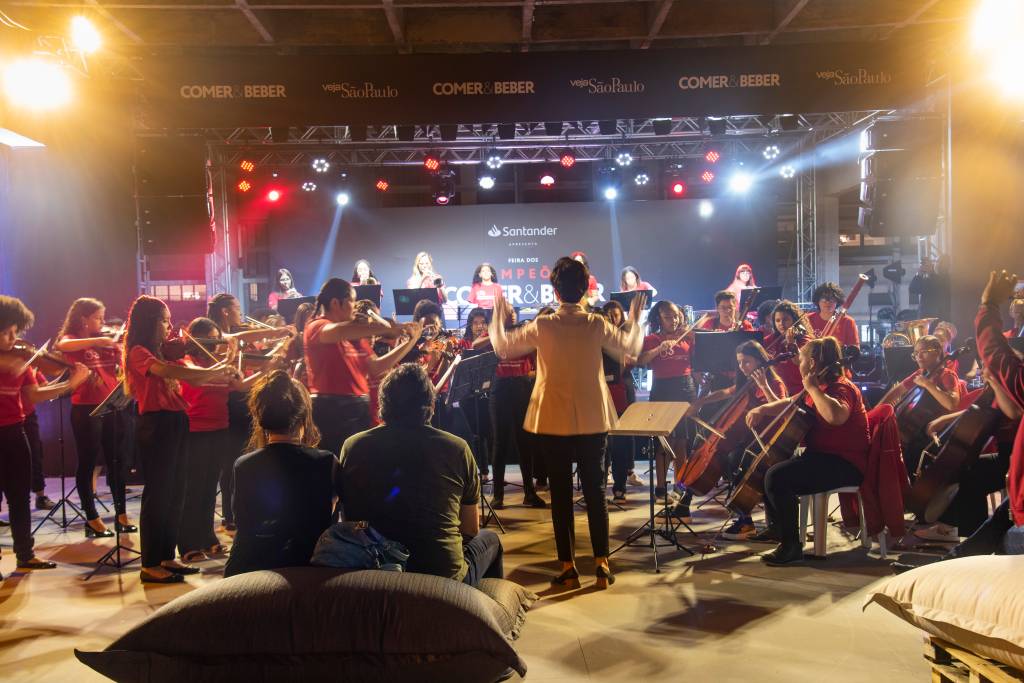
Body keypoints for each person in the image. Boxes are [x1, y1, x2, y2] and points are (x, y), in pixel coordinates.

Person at [489, 256, 645, 590]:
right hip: (593, 416)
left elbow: (502, 347)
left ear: (554, 290)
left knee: (560, 495)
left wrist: (497, 316)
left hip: (553, 417)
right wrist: (635, 318)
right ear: (586, 287)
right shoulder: (596, 324)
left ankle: (568, 567)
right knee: (595, 492)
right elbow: (631, 347)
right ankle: (602, 564)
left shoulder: (543, 325)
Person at [338, 363, 503, 587]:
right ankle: (480, 613)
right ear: (430, 403)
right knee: (490, 540)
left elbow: (349, 520)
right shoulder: (457, 448)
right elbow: (470, 529)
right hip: (442, 578)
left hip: (373, 571)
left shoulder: (353, 446)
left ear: (383, 403)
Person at [122, 295, 237, 583]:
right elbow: (171, 372)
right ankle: (150, 563)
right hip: (156, 424)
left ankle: (166, 556)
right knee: (158, 495)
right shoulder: (139, 352)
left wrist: (225, 355)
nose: (170, 326)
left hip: (176, 420)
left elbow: (188, 369)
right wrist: (216, 366)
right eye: (164, 320)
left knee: (176, 493)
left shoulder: (163, 350)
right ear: (150, 322)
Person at [744, 337, 870, 566]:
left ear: (812, 362)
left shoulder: (841, 387)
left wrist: (812, 388)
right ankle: (782, 534)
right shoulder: (818, 384)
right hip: (823, 458)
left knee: (778, 477)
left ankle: (791, 546)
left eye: (801, 358)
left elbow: (836, 417)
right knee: (770, 470)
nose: (797, 362)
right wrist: (761, 409)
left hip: (845, 463)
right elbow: (789, 403)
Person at [0, 296, 91, 577]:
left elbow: (34, 394)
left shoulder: (20, 357)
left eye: (15, 332)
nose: (12, 339)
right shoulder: (12, 359)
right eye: (6, 332)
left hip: (15, 431)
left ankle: (25, 554)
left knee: (19, 496)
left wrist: (69, 384)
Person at [224, 370, 338, 578]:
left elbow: (244, 524)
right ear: (303, 416)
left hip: (253, 568)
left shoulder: (243, 465)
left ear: (260, 418)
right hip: (308, 565)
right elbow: (326, 518)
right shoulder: (327, 462)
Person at [207, 292, 295, 531]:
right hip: (230, 403)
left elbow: (255, 362)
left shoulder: (236, 339)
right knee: (232, 460)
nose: (240, 311)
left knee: (247, 455)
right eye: (236, 307)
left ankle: (243, 510)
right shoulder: (217, 336)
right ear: (225, 311)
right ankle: (230, 513)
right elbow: (239, 336)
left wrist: (280, 347)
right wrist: (277, 333)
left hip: (244, 401)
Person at [177, 317, 261, 563]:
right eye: (211, 340)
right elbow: (198, 379)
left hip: (219, 428)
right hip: (195, 431)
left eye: (217, 339)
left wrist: (268, 369)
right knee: (193, 489)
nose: (216, 345)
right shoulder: (188, 362)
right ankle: (187, 543)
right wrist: (225, 361)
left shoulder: (219, 364)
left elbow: (241, 386)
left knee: (209, 489)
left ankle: (207, 537)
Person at [685, 340, 785, 539]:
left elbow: (781, 409)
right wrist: (700, 402)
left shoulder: (775, 382)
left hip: (769, 441)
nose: (742, 367)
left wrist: (764, 385)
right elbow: (726, 392)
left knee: (735, 460)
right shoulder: (745, 383)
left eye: (746, 362)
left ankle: (746, 520)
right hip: (750, 438)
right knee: (729, 460)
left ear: (759, 361)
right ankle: (744, 518)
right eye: (739, 362)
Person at [303, 278, 412, 456]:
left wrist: (409, 341)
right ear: (336, 303)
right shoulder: (316, 327)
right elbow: (337, 332)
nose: (354, 307)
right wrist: (383, 328)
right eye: (351, 301)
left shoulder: (354, 334)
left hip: (359, 408)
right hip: (333, 410)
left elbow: (376, 367)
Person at [55, 297, 135, 538]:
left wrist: (119, 346)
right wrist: (98, 340)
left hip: (112, 405)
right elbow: (62, 345)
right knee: (88, 461)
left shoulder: (109, 342)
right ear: (83, 319)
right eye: (98, 318)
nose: (103, 322)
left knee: (117, 460)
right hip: (86, 408)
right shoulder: (74, 341)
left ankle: (121, 514)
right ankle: (92, 517)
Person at [637, 300, 696, 511]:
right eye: (668, 316)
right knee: (663, 441)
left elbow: (697, 363)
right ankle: (660, 488)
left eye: (676, 315)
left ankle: (680, 486)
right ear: (659, 318)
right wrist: (658, 349)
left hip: (685, 387)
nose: (674, 320)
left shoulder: (689, 336)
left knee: (682, 441)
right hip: (662, 388)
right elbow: (641, 360)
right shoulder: (652, 338)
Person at [486, 306, 545, 510]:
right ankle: (498, 495)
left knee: (524, 441)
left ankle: (529, 493)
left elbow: (537, 359)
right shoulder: (493, 335)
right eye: (507, 310)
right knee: (499, 442)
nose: (512, 313)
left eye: (512, 310)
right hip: (499, 389)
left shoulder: (524, 332)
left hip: (521, 387)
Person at [878, 334, 961, 475]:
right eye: (916, 353)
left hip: (932, 433)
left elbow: (952, 404)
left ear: (937, 352)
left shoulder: (946, 375)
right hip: (915, 430)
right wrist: (877, 412)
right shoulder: (922, 373)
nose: (919, 357)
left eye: (923, 352)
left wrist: (928, 384)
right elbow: (896, 392)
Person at [602, 301, 639, 502]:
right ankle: (599, 486)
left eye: (616, 316)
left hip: (622, 393)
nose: (613, 319)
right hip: (601, 393)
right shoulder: (597, 339)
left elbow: (635, 358)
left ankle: (620, 487)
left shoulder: (625, 338)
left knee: (622, 442)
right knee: (603, 443)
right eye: (609, 315)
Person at [763, 300, 810, 397]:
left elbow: (799, 362)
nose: (781, 323)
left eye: (786, 319)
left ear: (794, 319)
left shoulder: (805, 340)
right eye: (778, 320)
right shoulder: (769, 340)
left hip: (800, 391)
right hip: (778, 391)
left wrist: (791, 343)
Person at [808, 282, 860, 348]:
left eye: (832, 299)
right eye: (824, 299)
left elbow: (855, 349)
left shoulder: (848, 321)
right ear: (818, 300)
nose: (828, 302)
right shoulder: (807, 319)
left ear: (837, 301)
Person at [909, 255, 951, 322]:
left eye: (937, 262)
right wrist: (919, 274)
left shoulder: (944, 280)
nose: (935, 264)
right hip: (931, 320)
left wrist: (928, 272)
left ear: (945, 265)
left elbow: (914, 288)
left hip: (935, 320)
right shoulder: (932, 279)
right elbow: (913, 289)